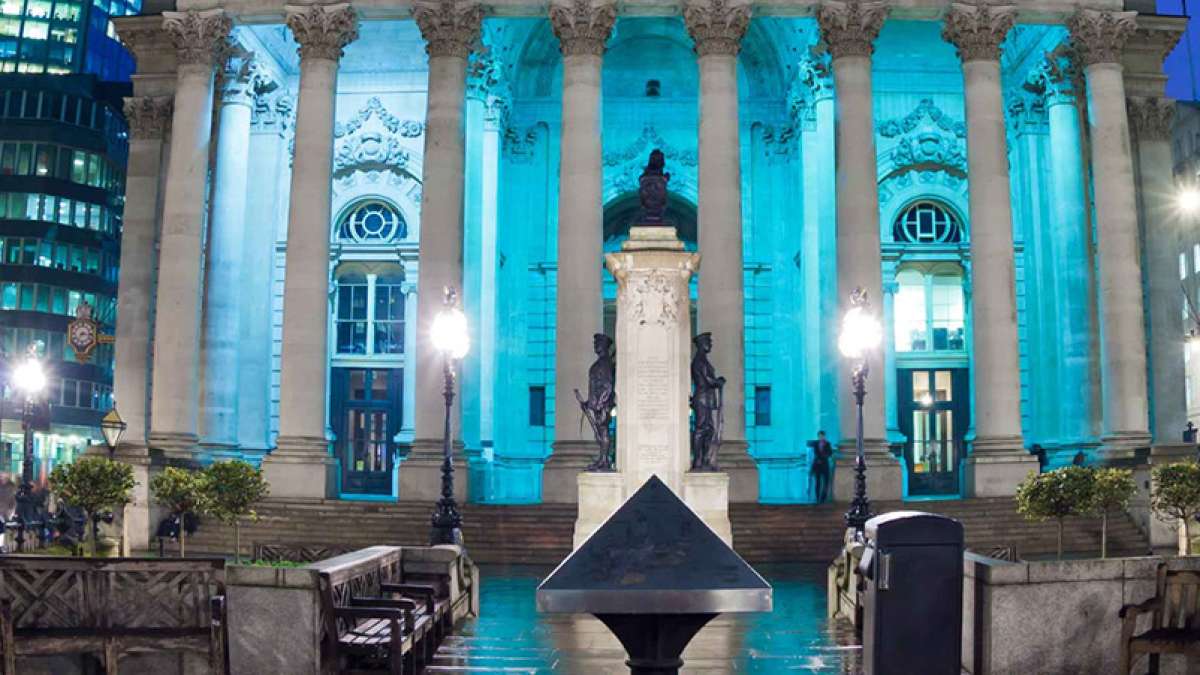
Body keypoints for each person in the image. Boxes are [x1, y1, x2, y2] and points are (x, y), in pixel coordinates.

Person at [809, 431, 833, 503]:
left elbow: (830, 452)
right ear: (818, 436)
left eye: (822, 436)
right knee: (817, 482)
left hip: (825, 465)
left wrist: (824, 457)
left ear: (824, 436)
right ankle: (817, 497)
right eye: (819, 436)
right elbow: (815, 453)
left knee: (826, 482)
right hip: (817, 465)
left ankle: (823, 497)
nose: (821, 437)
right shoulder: (815, 444)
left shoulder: (827, 444)